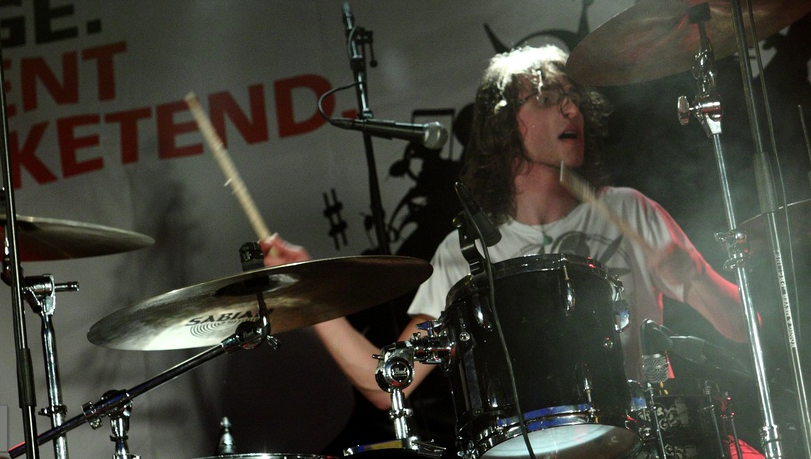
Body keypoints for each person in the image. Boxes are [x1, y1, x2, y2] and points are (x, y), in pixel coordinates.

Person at [262, 44, 748, 417]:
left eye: (574, 99)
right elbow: (390, 382)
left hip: (642, 438)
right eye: (548, 98)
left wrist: (700, 277)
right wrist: (310, 293)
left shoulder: (630, 211)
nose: (571, 110)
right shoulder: (466, 251)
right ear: (505, 125)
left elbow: (745, 329)